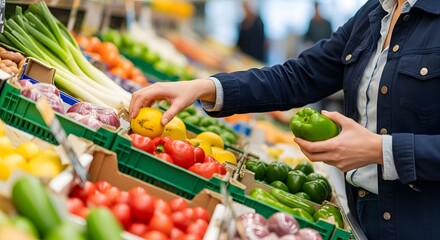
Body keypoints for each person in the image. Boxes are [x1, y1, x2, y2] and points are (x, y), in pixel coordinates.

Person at [130, 0, 440, 239]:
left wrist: (380, 150)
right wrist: (206, 87)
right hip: (358, 217)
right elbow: (299, 76)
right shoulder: (374, 14)